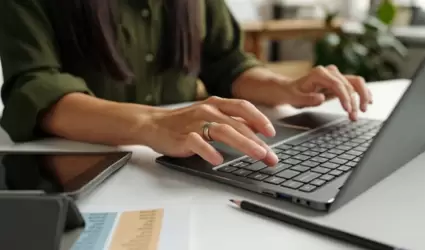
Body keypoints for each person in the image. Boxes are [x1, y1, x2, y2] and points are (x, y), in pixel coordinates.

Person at [0, 0, 372, 167]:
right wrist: (152, 124)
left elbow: (228, 62)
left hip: (192, 170)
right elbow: (35, 89)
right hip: (83, 171)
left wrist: (286, 88)